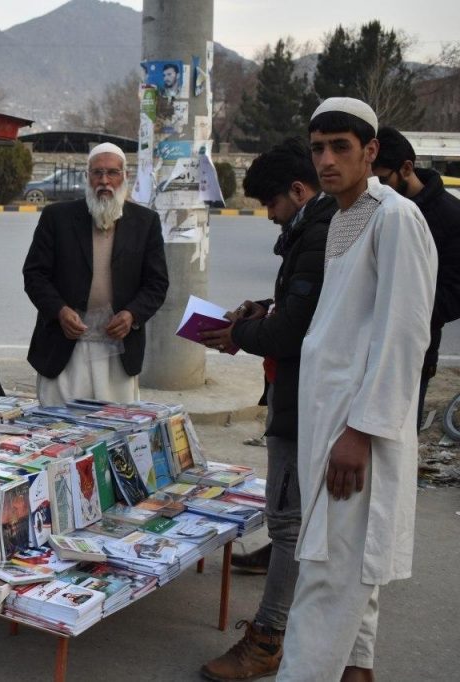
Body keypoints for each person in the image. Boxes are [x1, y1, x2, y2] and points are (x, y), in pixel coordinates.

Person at [278, 97, 435, 682]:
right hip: (330, 421)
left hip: (356, 432)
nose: (327, 160)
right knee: (345, 570)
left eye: (340, 147)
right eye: (318, 148)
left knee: (328, 576)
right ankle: (354, 672)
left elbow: (404, 334)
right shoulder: (339, 213)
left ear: (370, 151)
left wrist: (361, 432)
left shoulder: (396, 218)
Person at [198, 138, 337, 682]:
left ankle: (268, 639)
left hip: (302, 399)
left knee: (287, 522)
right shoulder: (312, 229)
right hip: (298, 391)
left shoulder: (317, 234)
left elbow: (293, 331)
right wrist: (263, 308)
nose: (269, 215)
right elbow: (299, 308)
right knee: (292, 520)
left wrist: (238, 334)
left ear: (298, 192)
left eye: (271, 204)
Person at [22, 142, 168, 406]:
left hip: (119, 350)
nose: (104, 181)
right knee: (58, 423)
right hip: (64, 347)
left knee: (116, 425)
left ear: (124, 176)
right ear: (87, 176)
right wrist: (60, 311)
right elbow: (35, 275)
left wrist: (132, 315)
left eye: (112, 172)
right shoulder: (57, 217)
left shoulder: (145, 222)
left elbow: (156, 283)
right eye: (97, 173)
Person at [371, 126, 460, 430]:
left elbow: (454, 295)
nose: (376, 190)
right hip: (364, 346)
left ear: (406, 169)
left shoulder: (450, 217)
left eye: (383, 180)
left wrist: (401, 312)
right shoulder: (372, 207)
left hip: (413, 354)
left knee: (397, 439)